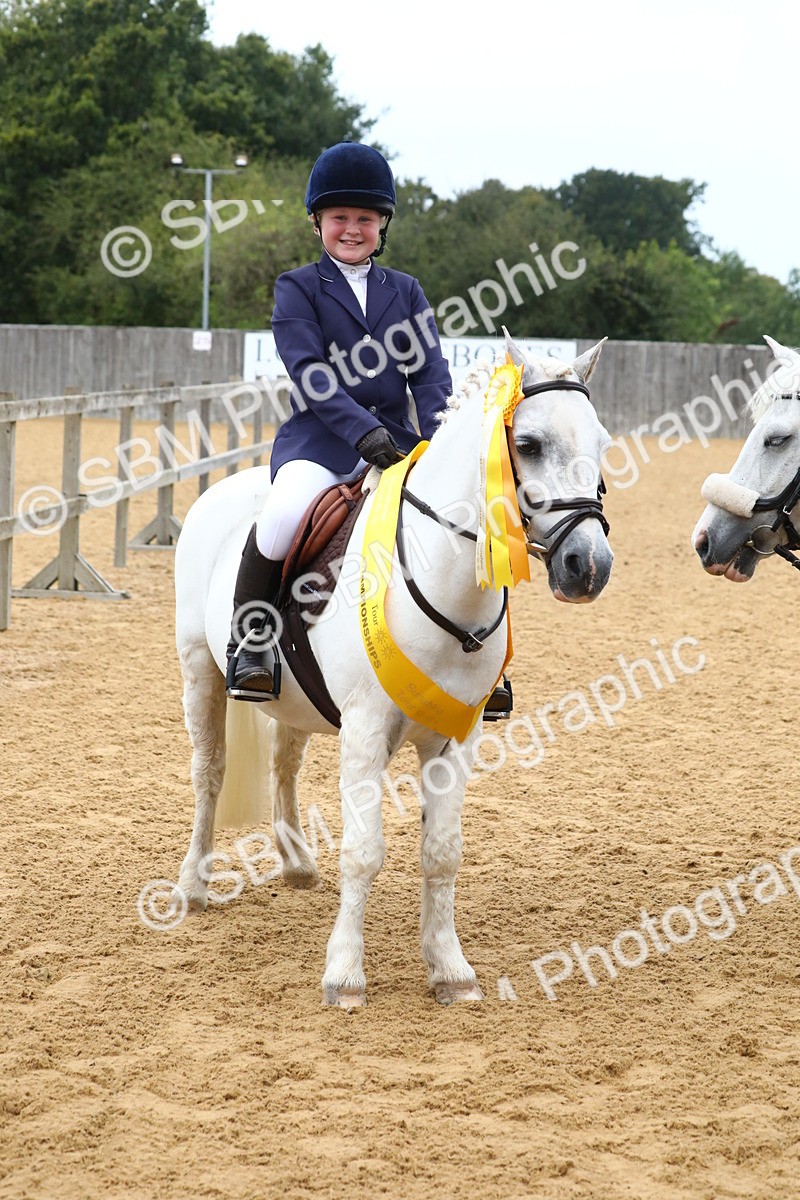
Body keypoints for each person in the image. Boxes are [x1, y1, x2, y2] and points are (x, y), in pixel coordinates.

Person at [225, 141, 453, 701]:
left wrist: (440, 436)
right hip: (321, 442)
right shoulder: (297, 287)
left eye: (365, 219)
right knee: (280, 516)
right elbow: (311, 374)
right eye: (340, 218)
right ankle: (251, 641)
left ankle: (474, 658)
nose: (353, 229)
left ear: (382, 225)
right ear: (318, 223)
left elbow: (428, 374)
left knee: (460, 519)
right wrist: (361, 432)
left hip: (398, 444)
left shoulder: (406, 290)